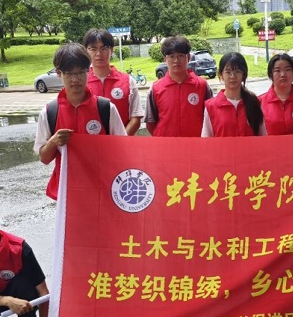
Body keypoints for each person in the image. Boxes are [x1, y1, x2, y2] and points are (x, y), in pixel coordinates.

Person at [34, 43, 127, 200]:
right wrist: (54, 141)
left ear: (88, 71)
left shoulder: (105, 108)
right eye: (69, 73)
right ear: (58, 73)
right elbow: (44, 158)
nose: (75, 79)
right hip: (67, 195)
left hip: (103, 191)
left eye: (80, 72)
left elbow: (123, 152)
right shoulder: (49, 112)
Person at [144, 35, 213, 136]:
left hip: (196, 143)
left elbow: (211, 117)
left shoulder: (202, 85)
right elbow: (150, 122)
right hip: (166, 143)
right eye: (172, 56)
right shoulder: (155, 88)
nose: (176, 60)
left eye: (180, 56)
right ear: (165, 59)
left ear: (188, 57)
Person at [83, 28, 143, 136]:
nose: (98, 53)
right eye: (93, 49)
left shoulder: (128, 81)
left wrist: (119, 141)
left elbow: (136, 117)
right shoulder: (82, 83)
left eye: (104, 48)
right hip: (91, 144)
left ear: (112, 50)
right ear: (86, 51)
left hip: (121, 143)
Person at [202, 52, 266, 137]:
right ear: (221, 75)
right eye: (228, 72)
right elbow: (206, 140)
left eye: (237, 71)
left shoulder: (255, 103)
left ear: (243, 74)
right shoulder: (211, 107)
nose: (233, 76)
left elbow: (263, 136)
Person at [259, 53, 293, 135]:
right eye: (277, 70)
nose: (283, 74)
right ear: (271, 75)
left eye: (287, 69)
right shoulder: (259, 102)